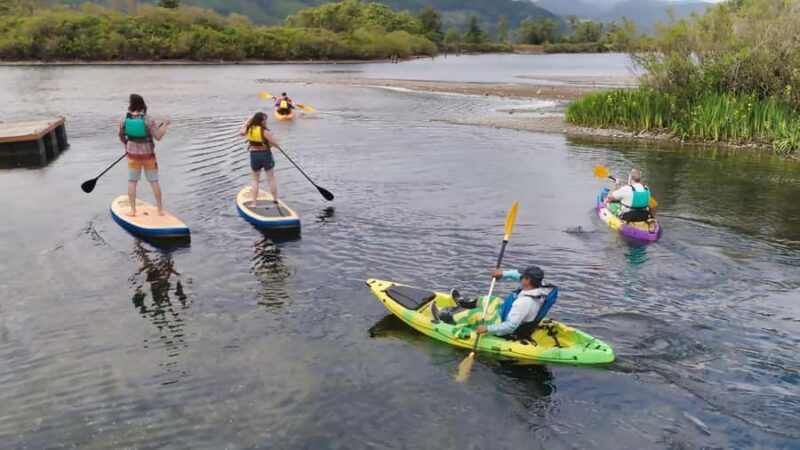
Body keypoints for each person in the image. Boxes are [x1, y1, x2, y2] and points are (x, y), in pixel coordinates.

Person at [431, 266, 556, 340]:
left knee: (477, 314)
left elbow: (510, 327)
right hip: (507, 312)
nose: (520, 277)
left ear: (528, 280)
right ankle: (463, 303)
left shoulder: (524, 303)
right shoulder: (541, 286)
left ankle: (445, 317)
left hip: (508, 327)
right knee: (491, 299)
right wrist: (503, 274)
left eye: (523, 277)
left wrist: (487, 328)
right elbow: (517, 275)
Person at [118, 93, 170, 216]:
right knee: (154, 181)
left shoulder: (124, 119)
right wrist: (165, 125)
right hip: (148, 156)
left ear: (131, 105)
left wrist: (126, 145)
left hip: (132, 156)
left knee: (132, 181)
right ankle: (160, 210)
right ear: (142, 105)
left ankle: (132, 210)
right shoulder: (148, 119)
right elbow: (158, 136)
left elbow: (120, 135)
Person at [238, 112, 280, 208]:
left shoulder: (249, 129)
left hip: (254, 156)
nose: (266, 122)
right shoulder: (265, 132)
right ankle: (275, 200)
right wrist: (273, 143)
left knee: (255, 180)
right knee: (270, 179)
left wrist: (247, 121)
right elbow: (276, 144)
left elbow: (240, 132)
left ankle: (254, 203)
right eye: (264, 120)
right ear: (260, 121)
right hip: (265, 155)